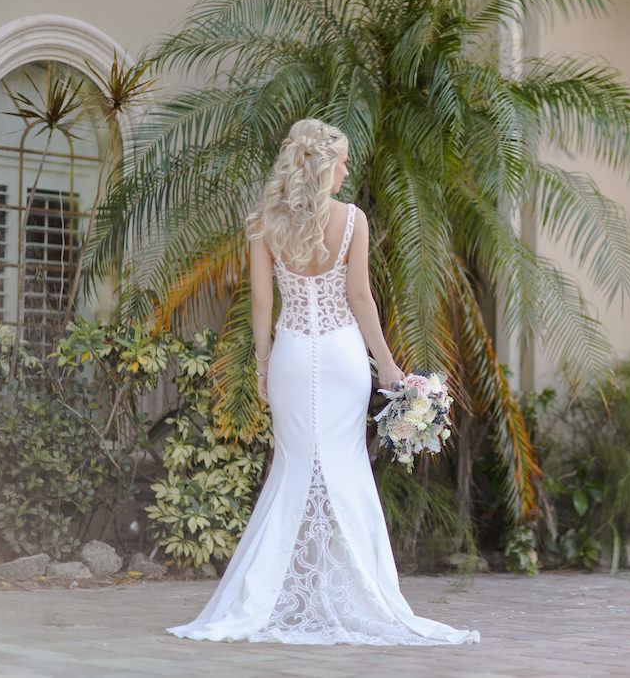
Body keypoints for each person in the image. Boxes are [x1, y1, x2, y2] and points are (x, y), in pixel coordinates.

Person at [168, 119, 479, 646]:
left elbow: (262, 304)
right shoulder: (351, 221)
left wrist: (263, 366)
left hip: (292, 354)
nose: (347, 169)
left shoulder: (266, 223)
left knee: (292, 471)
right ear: (322, 165)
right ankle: (361, 595)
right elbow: (360, 299)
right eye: (341, 160)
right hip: (340, 357)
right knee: (346, 467)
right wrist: (387, 366)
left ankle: (273, 597)